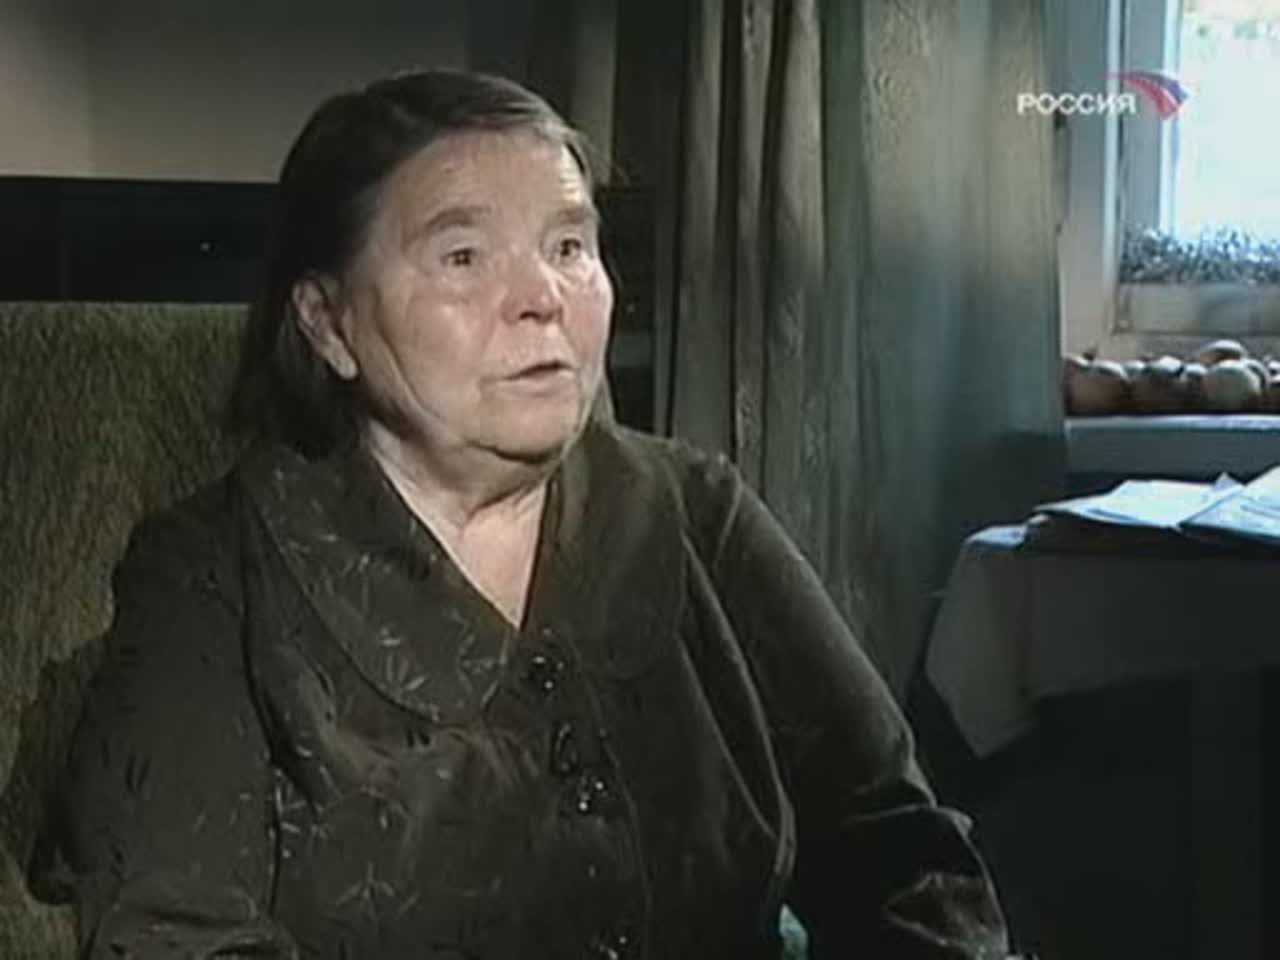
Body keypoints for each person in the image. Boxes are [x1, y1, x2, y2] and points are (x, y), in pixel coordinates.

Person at [34, 69, 1009, 959]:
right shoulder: (212, 575)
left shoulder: (696, 512)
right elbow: (175, 941)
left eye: (568, 246)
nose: (544, 297)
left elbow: (906, 859)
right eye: (462, 256)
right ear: (328, 325)